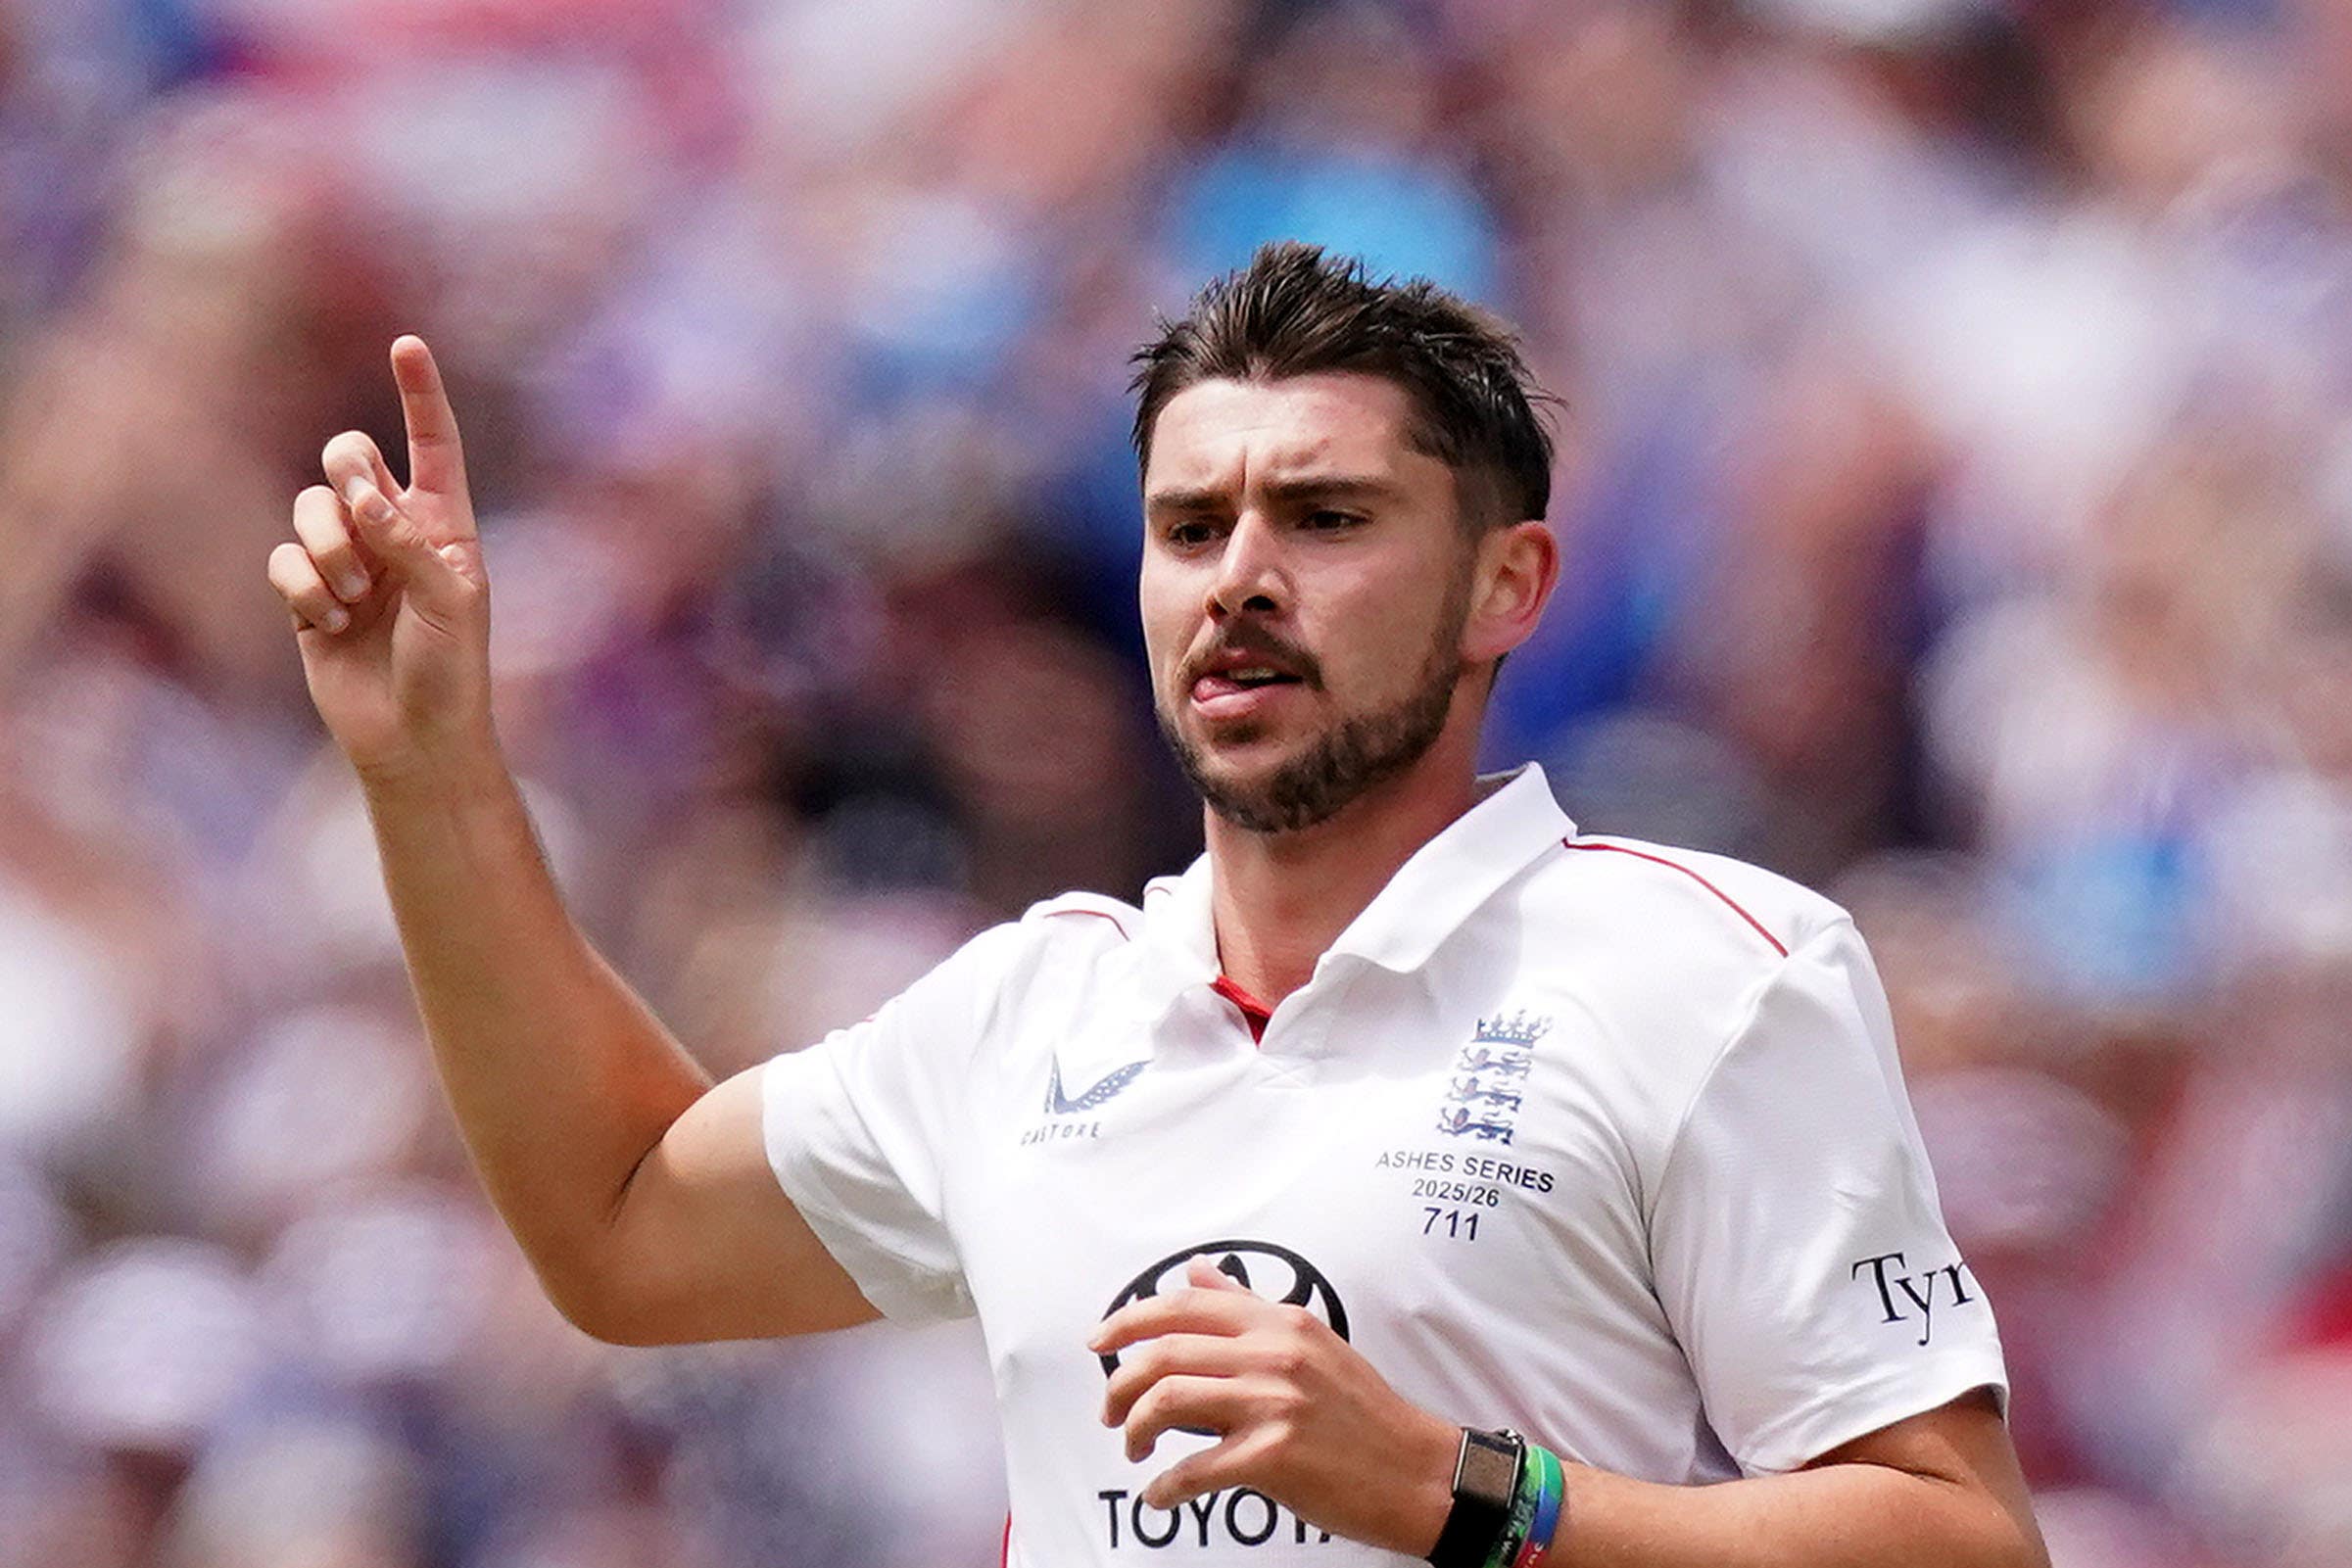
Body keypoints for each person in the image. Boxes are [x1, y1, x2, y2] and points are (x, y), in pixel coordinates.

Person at [265, 243, 2047, 1568]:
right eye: (1190, 527)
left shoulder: (1703, 970)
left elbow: (1960, 1542)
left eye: (1328, 517)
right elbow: (618, 1225)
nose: (1243, 579)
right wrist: (430, 769)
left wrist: (1454, 1493)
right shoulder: (1033, 1010)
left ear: (1509, 585)